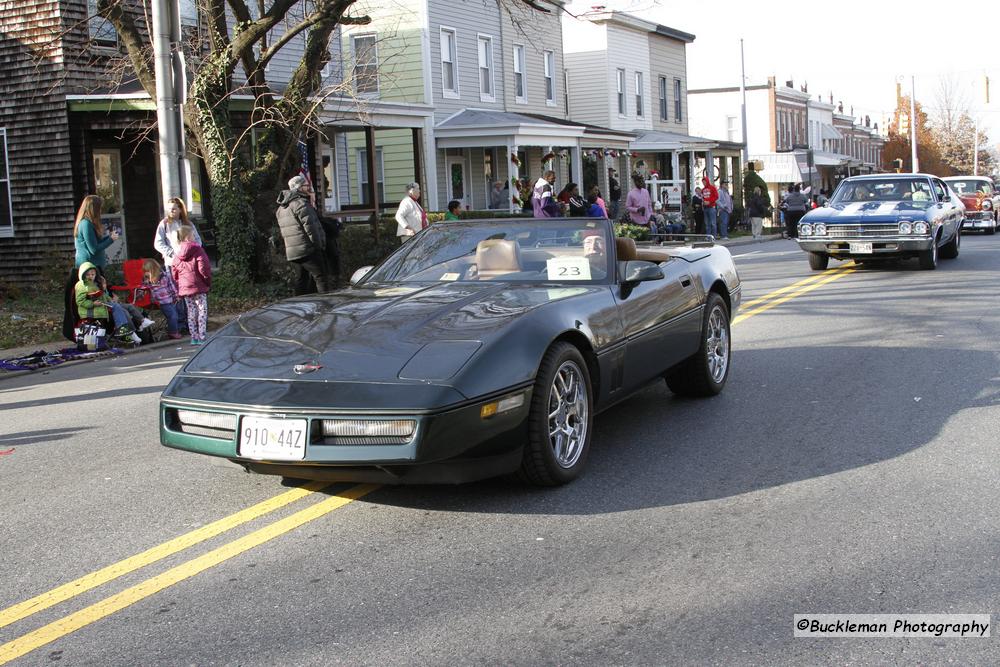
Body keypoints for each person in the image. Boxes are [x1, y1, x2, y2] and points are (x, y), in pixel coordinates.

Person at [63, 195, 120, 342]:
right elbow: (93, 249)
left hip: (95, 268)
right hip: (88, 269)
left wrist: (107, 236)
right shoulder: (85, 224)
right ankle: (89, 334)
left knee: (104, 298)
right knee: (94, 301)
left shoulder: (90, 224)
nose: (100, 211)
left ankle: (104, 331)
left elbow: (96, 242)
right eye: (99, 208)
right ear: (93, 208)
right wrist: (110, 240)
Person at [277, 174, 330, 294]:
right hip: (308, 249)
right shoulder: (301, 204)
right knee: (321, 277)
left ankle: (299, 306)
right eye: (306, 185)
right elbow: (312, 228)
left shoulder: (281, 209)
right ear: (299, 188)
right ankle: (326, 304)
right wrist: (319, 246)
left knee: (302, 280)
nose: (308, 188)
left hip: (293, 252)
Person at [75, 261, 142, 345]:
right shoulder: (81, 285)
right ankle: (126, 331)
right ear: (83, 275)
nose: (90, 277)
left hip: (100, 307)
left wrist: (110, 299)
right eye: (88, 275)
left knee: (122, 307)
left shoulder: (95, 284)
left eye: (92, 275)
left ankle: (131, 329)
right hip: (91, 311)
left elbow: (103, 295)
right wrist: (93, 304)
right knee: (118, 308)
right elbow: (80, 301)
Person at [171, 225, 212, 345]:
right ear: (188, 236)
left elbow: (175, 271)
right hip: (199, 286)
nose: (194, 236)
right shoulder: (197, 249)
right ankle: (202, 336)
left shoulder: (177, 252)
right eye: (193, 234)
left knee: (191, 312)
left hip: (185, 288)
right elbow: (203, 267)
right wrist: (207, 281)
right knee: (202, 310)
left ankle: (194, 337)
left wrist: (179, 284)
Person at [142, 258, 185, 339]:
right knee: (172, 316)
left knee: (174, 315)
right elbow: (144, 290)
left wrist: (176, 295)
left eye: (147, 271)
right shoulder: (147, 280)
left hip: (170, 299)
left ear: (153, 270)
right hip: (160, 302)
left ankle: (175, 330)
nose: (146, 273)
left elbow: (171, 286)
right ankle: (173, 332)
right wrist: (145, 284)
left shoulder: (164, 276)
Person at [153, 197, 202, 268]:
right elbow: (158, 243)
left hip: (189, 262)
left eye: (174, 209)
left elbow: (198, 241)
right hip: (172, 263)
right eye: (169, 209)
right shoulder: (164, 224)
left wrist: (191, 252)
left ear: (180, 210)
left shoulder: (188, 223)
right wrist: (171, 253)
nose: (171, 211)